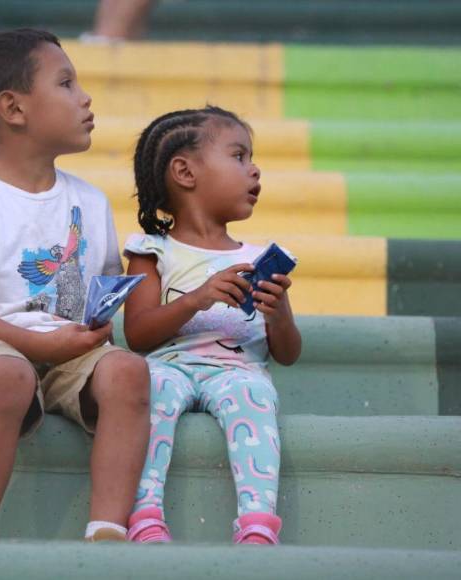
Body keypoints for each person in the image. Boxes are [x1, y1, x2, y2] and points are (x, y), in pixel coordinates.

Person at [0, 29, 151, 543]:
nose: (85, 97)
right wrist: (39, 344)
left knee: (128, 373)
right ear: (14, 108)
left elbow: (102, 300)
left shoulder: (90, 201)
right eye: (66, 84)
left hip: (67, 353)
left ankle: (108, 531)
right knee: (9, 374)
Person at [122, 106, 302, 544]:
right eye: (239, 156)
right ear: (185, 172)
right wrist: (199, 298)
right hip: (171, 366)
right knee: (151, 386)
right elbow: (138, 335)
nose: (255, 170)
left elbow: (288, 353)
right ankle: (144, 514)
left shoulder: (262, 258)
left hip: (239, 372)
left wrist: (279, 313)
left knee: (256, 393)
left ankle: (258, 525)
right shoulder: (152, 251)